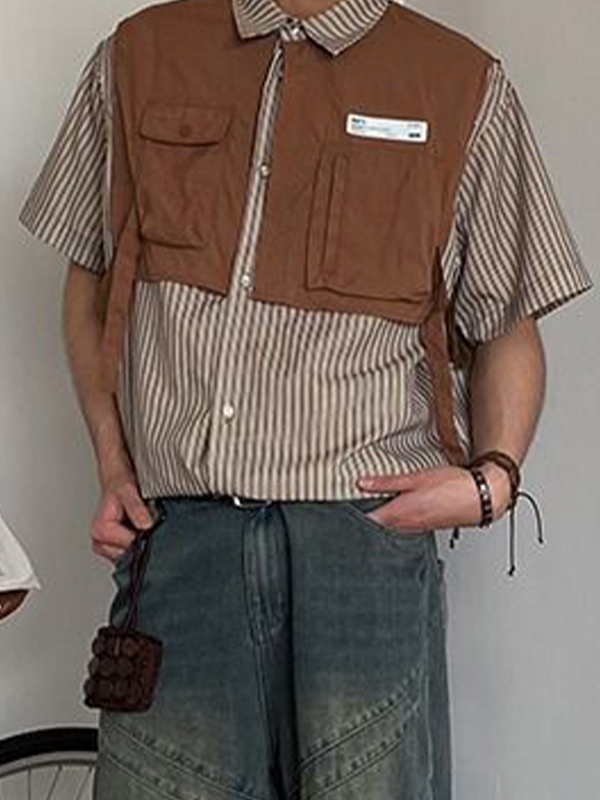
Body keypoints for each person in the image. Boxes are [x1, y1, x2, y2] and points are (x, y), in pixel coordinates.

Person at [19, 0, 592, 797]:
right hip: (181, 544)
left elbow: (507, 322)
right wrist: (112, 459)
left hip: (360, 549)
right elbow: (88, 274)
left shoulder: (460, 85)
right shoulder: (138, 55)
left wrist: (492, 480)